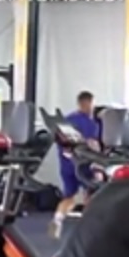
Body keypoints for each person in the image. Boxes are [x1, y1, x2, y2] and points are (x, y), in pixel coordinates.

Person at [49, 91, 101, 239]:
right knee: (92, 193)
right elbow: (93, 145)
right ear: (87, 103)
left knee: (69, 196)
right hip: (82, 165)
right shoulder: (90, 123)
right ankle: (89, 228)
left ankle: (57, 220)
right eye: (91, 104)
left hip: (66, 165)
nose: (92, 107)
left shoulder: (66, 120)